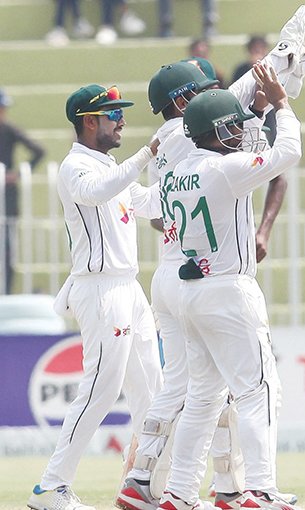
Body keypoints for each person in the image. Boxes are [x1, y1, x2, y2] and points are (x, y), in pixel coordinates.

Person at [160, 63, 301, 510]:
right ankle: (260, 489)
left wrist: (254, 110)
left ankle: (179, 491)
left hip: (190, 290)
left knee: (202, 398)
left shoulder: (175, 173)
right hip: (228, 290)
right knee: (257, 389)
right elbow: (287, 154)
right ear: (217, 130)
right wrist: (280, 103)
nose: (240, 133)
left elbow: (247, 149)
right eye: (233, 127)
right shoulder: (225, 169)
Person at [27, 84, 164, 510]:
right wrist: (146, 155)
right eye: (113, 114)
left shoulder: (107, 165)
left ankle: (142, 483)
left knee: (153, 392)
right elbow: (99, 191)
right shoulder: (76, 168)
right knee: (101, 391)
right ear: (89, 121)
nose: (121, 120)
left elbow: (145, 201)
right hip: (100, 288)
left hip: (129, 288)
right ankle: (52, 487)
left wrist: (190, 175)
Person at [0, 88, 45, 295]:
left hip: (7, 197)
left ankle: (5, 294)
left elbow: (38, 151)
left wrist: (16, 175)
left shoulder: (9, 129)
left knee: (7, 249)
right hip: (7, 195)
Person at [233, 35, 277, 146]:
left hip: (268, 113)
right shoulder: (241, 69)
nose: (258, 52)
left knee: (269, 141)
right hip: (246, 113)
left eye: (261, 48)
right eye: (255, 49)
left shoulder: (272, 68)